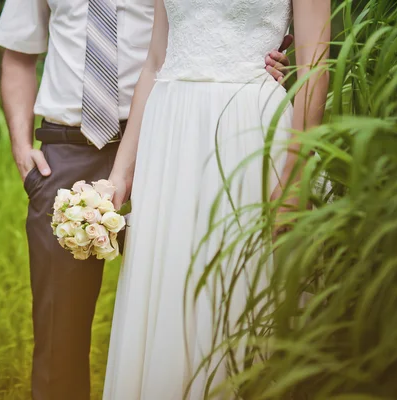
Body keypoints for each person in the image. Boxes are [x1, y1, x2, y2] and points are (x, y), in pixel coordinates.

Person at [0, 0, 293, 398]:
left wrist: (264, 57)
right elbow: (18, 52)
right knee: (58, 321)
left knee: (179, 298)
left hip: (171, 141)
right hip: (68, 151)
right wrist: (20, 145)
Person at [103, 0, 330, 398]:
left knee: (242, 287)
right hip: (169, 133)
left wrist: (295, 176)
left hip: (245, 128)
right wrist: (120, 175)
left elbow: (314, 62)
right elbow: (155, 62)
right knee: (168, 285)